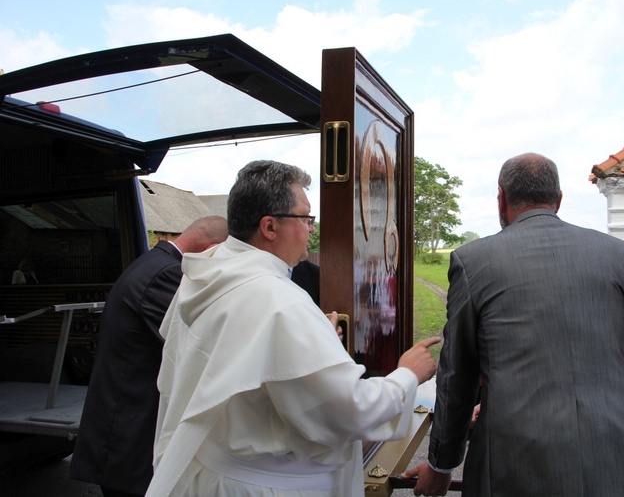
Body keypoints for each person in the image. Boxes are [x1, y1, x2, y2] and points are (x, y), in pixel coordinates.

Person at [145, 160, 439, 496]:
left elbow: (230, 360)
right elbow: (343, 412)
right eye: (305, 217)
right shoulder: (279, 301)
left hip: (210, 473)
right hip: (261, 485)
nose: (312, 228)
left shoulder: (207, 275)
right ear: (270, 226)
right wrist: (407, 374)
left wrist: (315, 344)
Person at [403, 153, 624, 496]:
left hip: (515, 457)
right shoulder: (612, 253)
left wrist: (442, 464)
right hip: (616, 449)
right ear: (559, 200)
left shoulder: (474, 260)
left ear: (501, 198)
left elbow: (457, 374)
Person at [70, 216, 229, 497]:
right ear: (211, 248)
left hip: (124, 425)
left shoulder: (153, 264)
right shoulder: (166, 274)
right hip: (129, 433)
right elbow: (202, 340)